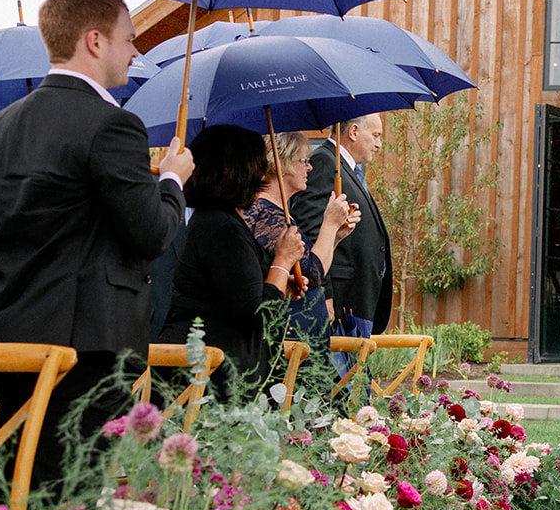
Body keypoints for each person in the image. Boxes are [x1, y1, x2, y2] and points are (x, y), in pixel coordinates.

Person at [0, 0, 192, 486]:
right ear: (95, 41)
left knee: (22, 490)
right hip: (89, 344)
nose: (136, 51)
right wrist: (172, 179)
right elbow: (152, 234)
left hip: (13, 336)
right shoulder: (113, 126)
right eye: (130, 39)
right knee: (76, 496)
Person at [160, 124, 305, 398]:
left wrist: (280, 283)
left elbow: (240, 292)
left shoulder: (223, 221)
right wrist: (282, 261)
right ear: (239, 171)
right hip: (211, 378)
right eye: (257, 166)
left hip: (222, 369)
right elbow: (254, 313)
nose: (263, 174)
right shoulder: (220, 227)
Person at [247, 130, 356, 349]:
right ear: (283, 163)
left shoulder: (279, 212)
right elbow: (311, 274)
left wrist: (334, 237)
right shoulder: (266, 214)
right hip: (290, 335)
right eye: (304, 160)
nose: (310, 167)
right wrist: (329, 224)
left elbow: (312, 268)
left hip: (302, 333)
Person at [292, 114, 391, 348]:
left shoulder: (348, 168)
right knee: (343, 382)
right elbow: (310, 231)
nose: (378, 144)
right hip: (340, 303)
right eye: (375, 136)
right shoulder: (326, 163)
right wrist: (324, 293)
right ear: (354, 132)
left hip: (357, 299)